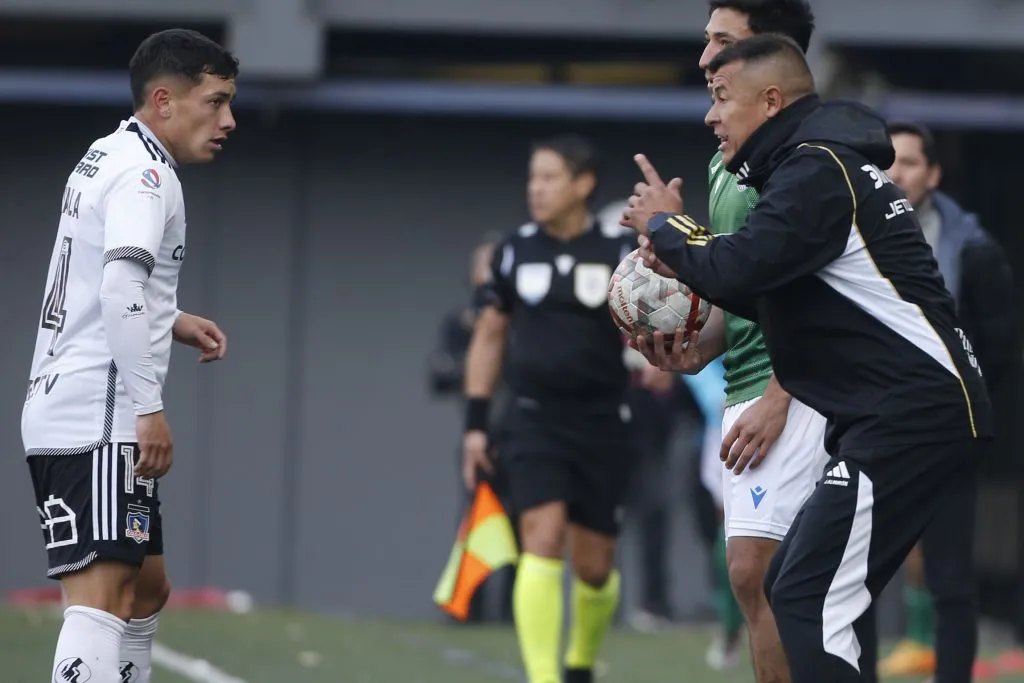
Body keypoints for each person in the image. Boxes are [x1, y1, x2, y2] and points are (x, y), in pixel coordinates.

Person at [623, 34, 991, 683]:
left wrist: (666, 226)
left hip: (911, 414)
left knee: (804, 593)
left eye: (720, 97)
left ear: (770, 100)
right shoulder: (811, 170)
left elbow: (740, 268)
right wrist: (698, 345)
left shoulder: (815, 170)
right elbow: (770, 289)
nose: (710, 116)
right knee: (799, 586)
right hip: (898, 415)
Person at [21, 29, 238, 683]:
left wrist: (171, 319)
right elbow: (117, 287)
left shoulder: (106, 153)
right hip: (102, 414)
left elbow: (100, 282)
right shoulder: (145, 176)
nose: (228, 120)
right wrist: (149, 407)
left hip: (76, 404)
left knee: (146, 586)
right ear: (166, 101)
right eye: (216, 101)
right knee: (101, 599)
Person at [462, 134, 635, 683]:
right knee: (541, 534)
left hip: (603, 422)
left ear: (583, 185)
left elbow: (650, 329)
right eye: (532, 178)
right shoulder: (514, 250)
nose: (536, 189)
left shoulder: (618, 252)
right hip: (533, 418)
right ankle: (544, 677)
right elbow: (490, 335)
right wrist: (475, 425)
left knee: (594, 568)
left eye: (549, 178)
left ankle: (580, 660)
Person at [879, 121, 1017, 683]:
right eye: (886, 161)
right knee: (847, 576)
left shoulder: (974, 249)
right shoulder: (841, 234)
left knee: (950, 578)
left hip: (944, 431)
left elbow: (1000, 345)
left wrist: (963, 400)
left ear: (933, 175)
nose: (895, 173)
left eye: (909, 162)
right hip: (863, 425)